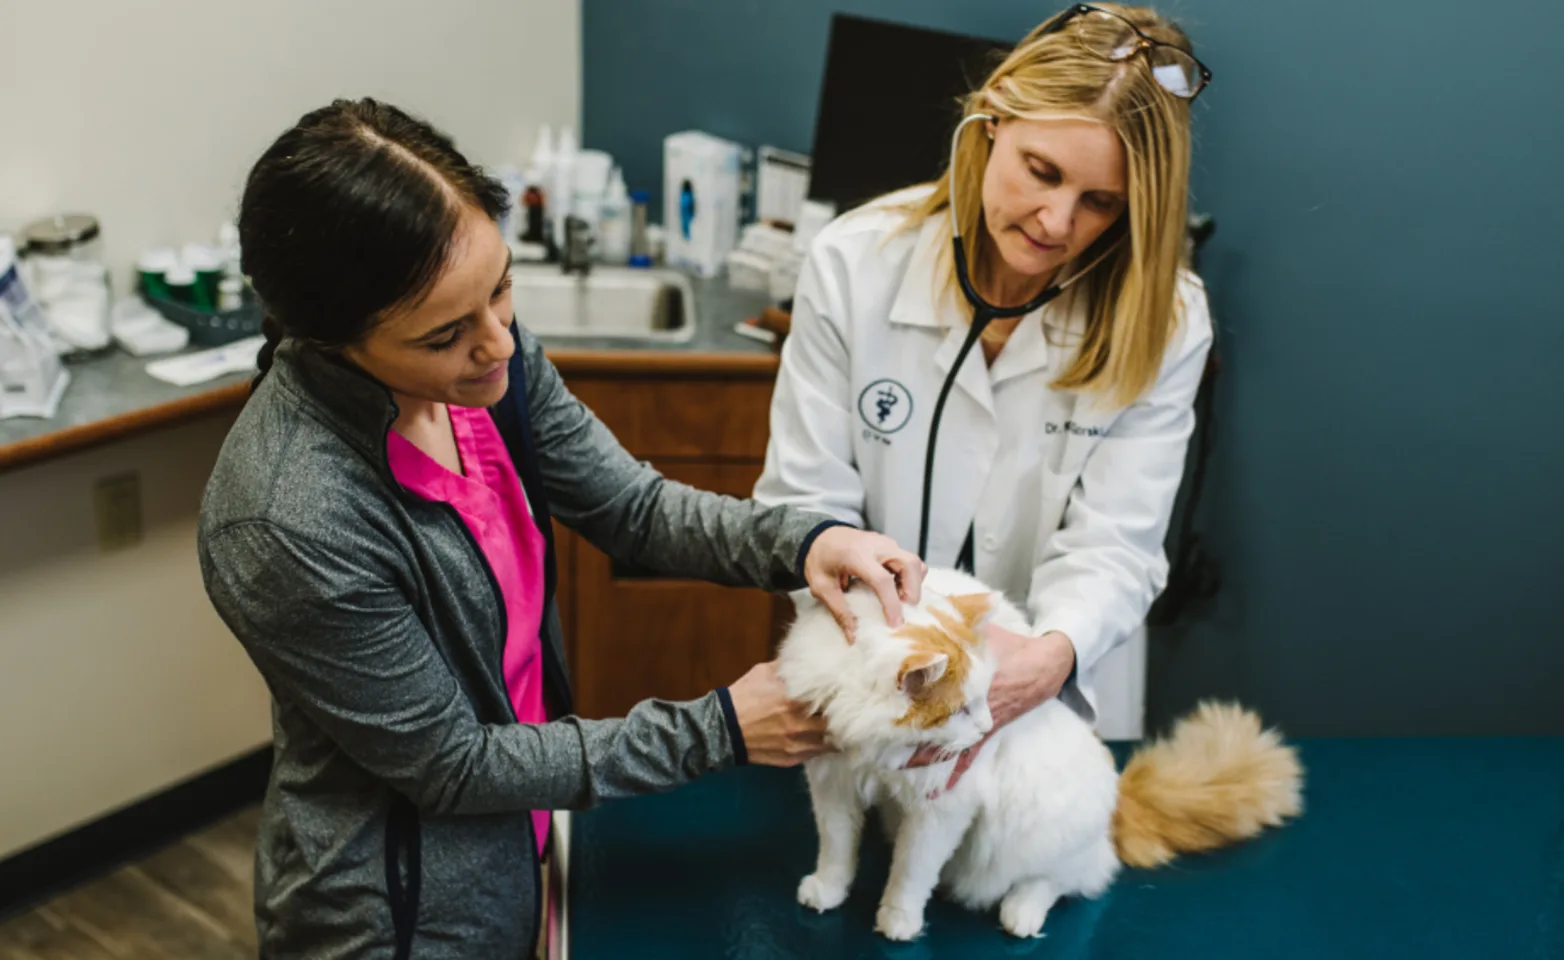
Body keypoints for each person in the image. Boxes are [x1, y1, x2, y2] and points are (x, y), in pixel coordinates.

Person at [196, 99, 924, 960]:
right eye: (447, 333)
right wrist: (720, 729)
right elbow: (452, 763)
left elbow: (634, 508)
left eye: (501, 289)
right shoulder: (287, 520)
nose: (500, 343)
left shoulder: (483, 367)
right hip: (396, 916)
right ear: (332, 339)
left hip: (526, 842)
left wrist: (802, 544)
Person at [754, 3, 1214, 785]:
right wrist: (889, 673)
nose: (1057, 220)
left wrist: (1042, 664)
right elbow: (806, 507)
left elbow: (1116, 543)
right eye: (1042, 171)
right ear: (992, 118)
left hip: (1046, 700)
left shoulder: (1165, 320)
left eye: (1101, 202)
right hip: (878, 684)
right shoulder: (854, 264)